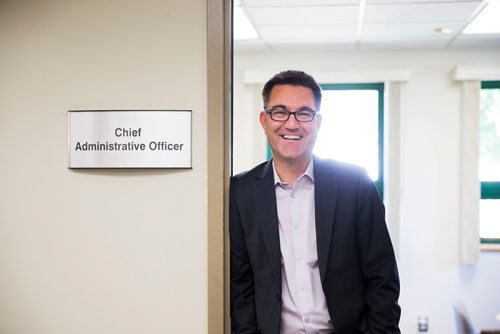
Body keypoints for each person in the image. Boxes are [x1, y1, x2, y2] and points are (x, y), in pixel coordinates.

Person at [229, 70, 401, 334]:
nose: (291, 123)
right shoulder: (241, 192)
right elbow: (241, 285)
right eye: (280, 112)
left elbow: (382, 277)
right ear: (264, 121)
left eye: (304, 113)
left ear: (318, 123)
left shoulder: (354, 184)